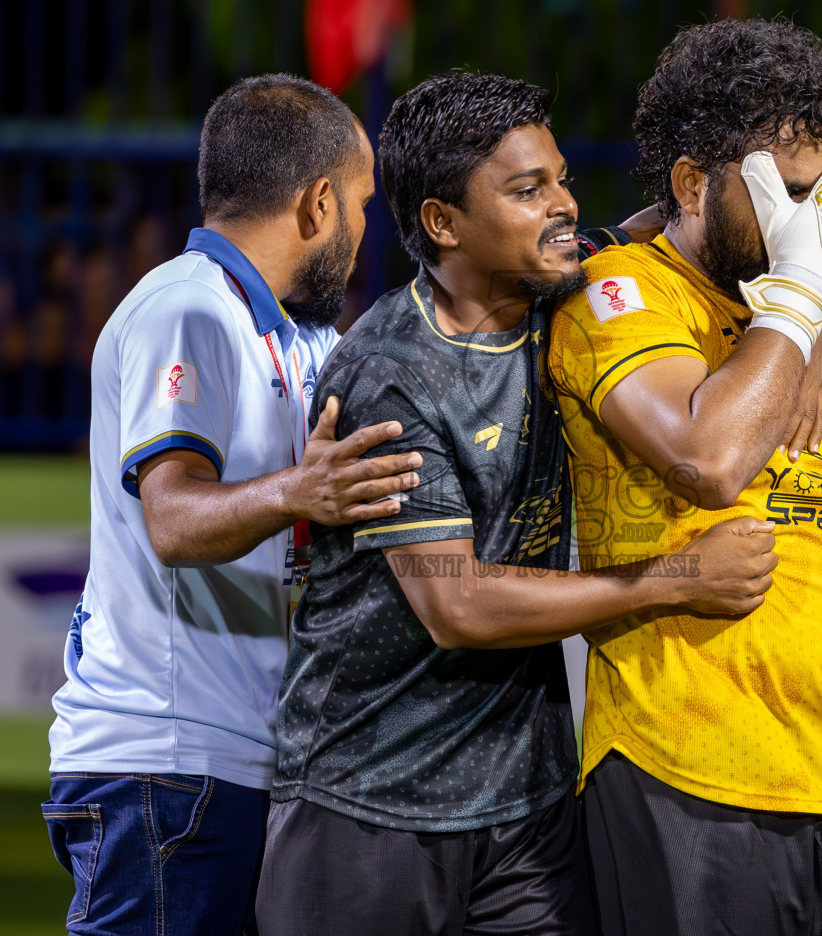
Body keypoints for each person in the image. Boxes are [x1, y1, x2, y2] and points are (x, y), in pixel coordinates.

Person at [254, 71, 780, 936]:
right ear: (443, 222)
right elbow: (456, 605)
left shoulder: (565, 296)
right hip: (371, 801)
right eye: (528, 190)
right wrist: (675, 578)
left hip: (525, 814)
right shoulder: (392, 371)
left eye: (562, 178)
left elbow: (667, 228)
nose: (563, 205)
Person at [549, 19, 822, 935]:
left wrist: (797, 313)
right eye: (784, 192)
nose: (813, 219)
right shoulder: (619, 292)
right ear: (692, 184)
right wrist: (799, 300)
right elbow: (708, 460)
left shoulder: (792, 317)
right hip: (691, 771)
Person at [43, 74, 422, 936]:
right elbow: (172, 519)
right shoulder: (188, 309)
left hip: (235, 761)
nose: (366, 233)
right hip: (166, 763)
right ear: (318, 204)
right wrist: (304, 489)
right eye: (362, 206)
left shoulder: (294, 335)